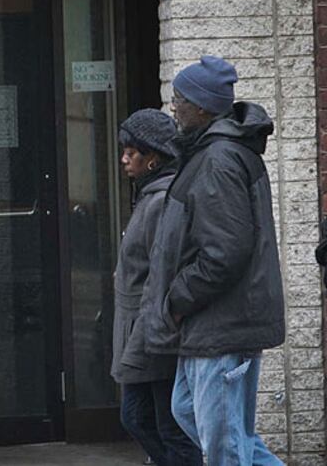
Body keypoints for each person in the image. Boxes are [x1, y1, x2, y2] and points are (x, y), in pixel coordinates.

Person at [143, 55, 285, 465]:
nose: (173, 107)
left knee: (224, 447)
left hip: (222, 323)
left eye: (180, 99)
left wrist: (177, 298)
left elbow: (225, 251)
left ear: (203, 107)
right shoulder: (210, 152)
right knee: (191, 413)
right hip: (211, 325)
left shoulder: (219, 159)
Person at [112, 109, 202, 466]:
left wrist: (148, 334)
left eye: (131, 152)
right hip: (142, 325)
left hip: (153, 329)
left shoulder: (161, 201)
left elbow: (160, 272)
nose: (123, 159)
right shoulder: (149, 195)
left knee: (160, 423)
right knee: (147, 418)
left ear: (153, 158)